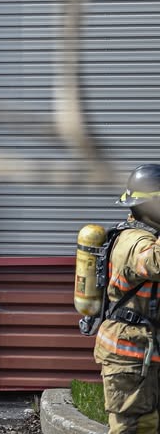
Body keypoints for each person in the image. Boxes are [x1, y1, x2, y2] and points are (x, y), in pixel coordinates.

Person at [95, 164, 160, 434]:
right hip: (128, 354)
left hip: (140, 349)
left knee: (148, 423)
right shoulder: (134, 241)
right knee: (130, 428)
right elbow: (155, 264)